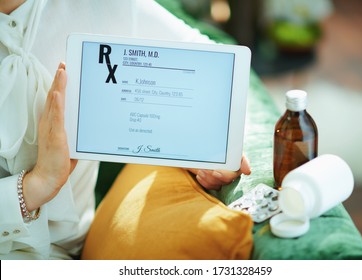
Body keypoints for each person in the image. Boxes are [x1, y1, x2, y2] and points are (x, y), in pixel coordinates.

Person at [0, 0, 251, 259]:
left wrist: (206, 142)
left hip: (63, 252)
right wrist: (36, 185)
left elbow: (219, 64)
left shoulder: (105, 6)